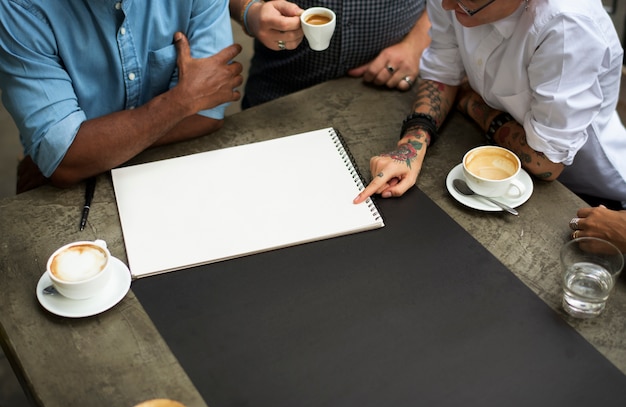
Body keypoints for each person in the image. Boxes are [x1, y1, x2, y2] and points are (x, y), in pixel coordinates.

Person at [354, 0, 626, 210]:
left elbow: (547, 162)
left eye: (466, 1)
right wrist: (410, 148)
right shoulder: (457, 2)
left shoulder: (568, 27)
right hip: (501, 151)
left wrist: (470, 101)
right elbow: (443, 72)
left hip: (583, 188)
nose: (446, 5)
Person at [0, 0, 243, 193]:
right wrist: (181, 102)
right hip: (73, 196)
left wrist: (85, 151)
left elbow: (207, 114)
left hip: (173, 169)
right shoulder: (20, 8)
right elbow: (66, 160)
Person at [229, 0, 431, 108]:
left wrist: (416, 43)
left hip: (389, 89)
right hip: (280, 94)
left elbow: (450, 5)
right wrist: (249, 11)